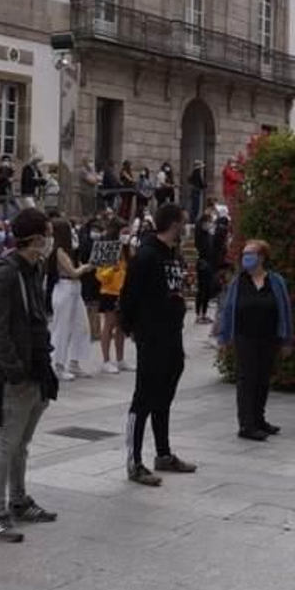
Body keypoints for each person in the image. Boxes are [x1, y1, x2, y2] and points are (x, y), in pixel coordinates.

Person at [0, 207, 59, 542]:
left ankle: (19, 499)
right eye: (47, 234)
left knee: (22, 443)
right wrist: (14, 370)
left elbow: (35, 318)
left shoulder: (34, 267)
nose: (50, 241)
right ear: (37, 238)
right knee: (6, 442)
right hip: (15, 372)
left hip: (37, 365)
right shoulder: (5, 273)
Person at [118, 202, 194, 485]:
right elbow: (129, 295)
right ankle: (134, 461)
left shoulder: (172, 255)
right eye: (184, 221)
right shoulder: (147, 255)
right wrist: (132, 328)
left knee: (164, 397)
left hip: (172, 334)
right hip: (152, 335)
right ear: (174, 223)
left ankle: (163, 453)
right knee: (144, 397)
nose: (185, 227)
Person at [215, 238, 293, 441]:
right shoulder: (238, 282)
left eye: (252, 254)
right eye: (245, 254)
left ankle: (259, 418)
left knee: (263, 378)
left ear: (262, 257)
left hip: (269, 337)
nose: (247, 258)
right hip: (245, 337)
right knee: (247, 379)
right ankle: (246, 424)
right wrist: (224, 336)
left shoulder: (275, 281)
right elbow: (227, 310)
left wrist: (286, 339)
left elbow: (285, 310)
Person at [45, 218, 95, 382]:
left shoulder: (70, 250)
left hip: (75, 290)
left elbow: (77, 266)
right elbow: (73, 272)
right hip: (65, 288)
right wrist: (86, 267)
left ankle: (74, 362)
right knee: (62, 328)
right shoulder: (59, 250)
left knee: (82, 326)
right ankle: (57, 365)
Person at [95, 220, 131, 374]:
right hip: (109, 292)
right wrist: (112, 269)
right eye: (124, 232)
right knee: (109, 325)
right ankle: (105, 360)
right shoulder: (106, 249)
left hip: (124, 292)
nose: (127, 236)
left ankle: (120, 359)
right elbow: (99, 275)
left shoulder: (127, 250)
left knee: (121, 327)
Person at [193, 210, 225, 326]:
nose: (210, 224)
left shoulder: (209, 236)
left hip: (209, 263)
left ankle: (204, 313)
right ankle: (198, 314)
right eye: (208, 221)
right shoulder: (200, 235)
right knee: (201, 289)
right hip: (203, 263)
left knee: (207, 289)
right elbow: (202, 249)